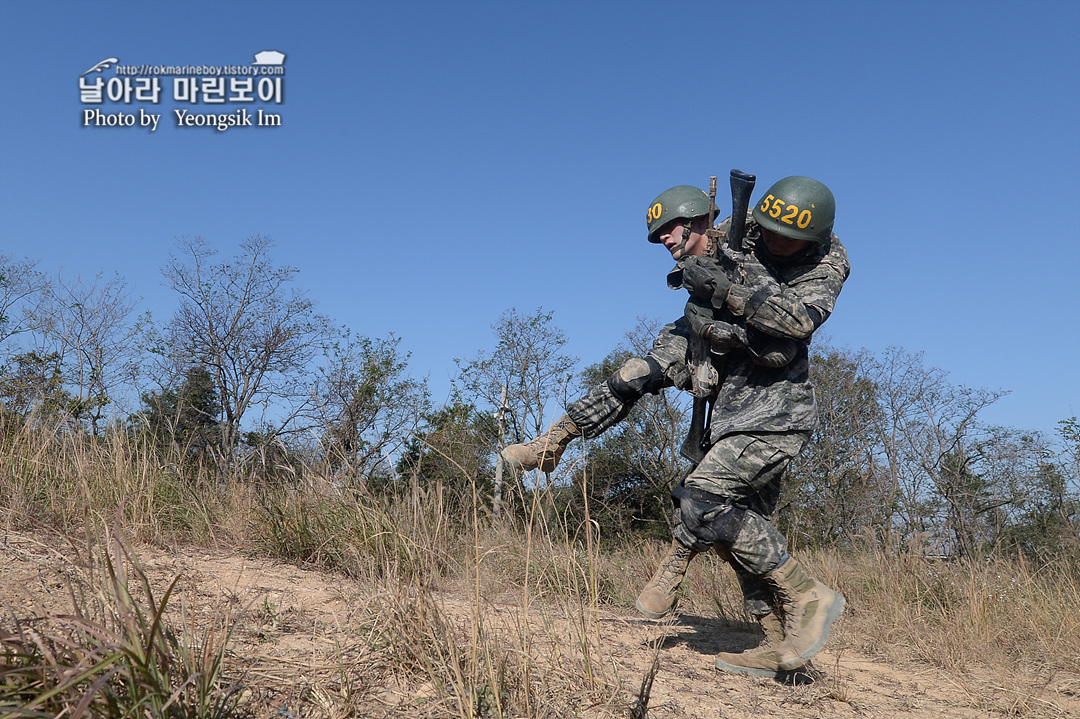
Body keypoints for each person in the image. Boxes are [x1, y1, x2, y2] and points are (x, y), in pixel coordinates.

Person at [502, 177, 850, 677]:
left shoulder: (827, 260)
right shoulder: (734, 231)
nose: (773, 241)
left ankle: (809, 597)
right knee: (735, 528)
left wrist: (729, 296)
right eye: (766, 232)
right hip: (727, 400)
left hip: (774, 412)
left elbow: (794, 328)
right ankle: (554, 442)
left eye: (674, 228)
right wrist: (704, 309)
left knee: (702, 501)